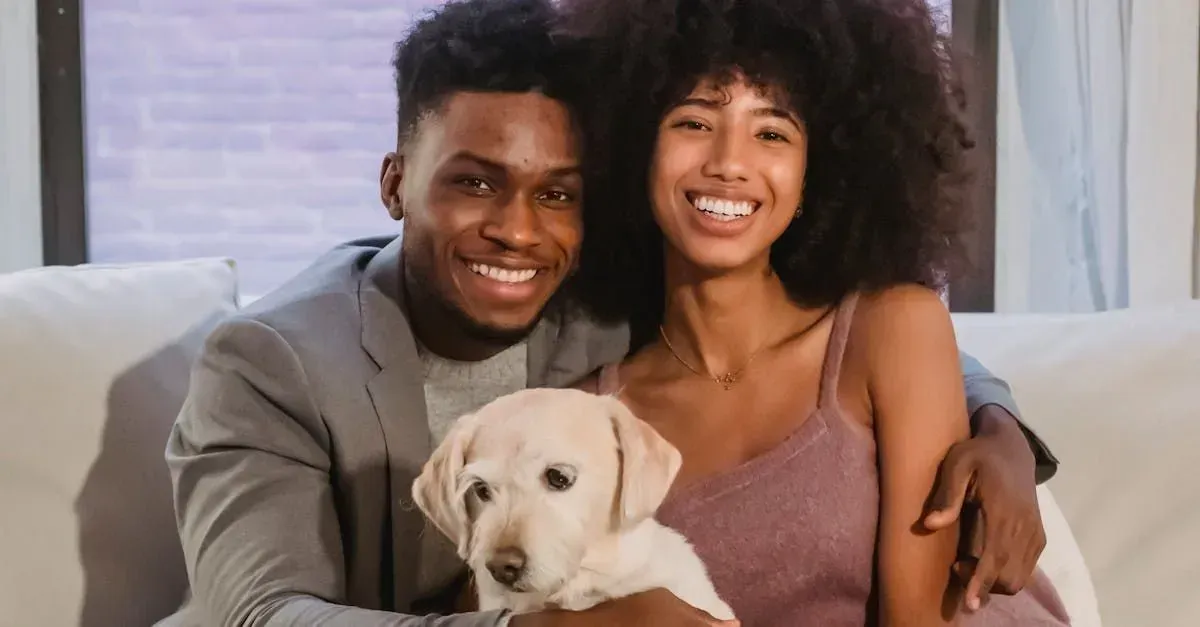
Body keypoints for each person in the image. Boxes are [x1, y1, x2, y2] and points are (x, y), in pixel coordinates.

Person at [159, 0, 1057, 625]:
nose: (517, 231)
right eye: (473, 183)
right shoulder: (270, 363)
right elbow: (261, 615)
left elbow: (850, 347)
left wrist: (1001, 429)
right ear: (395, 183)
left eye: (558, 193)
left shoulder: (594, 302)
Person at [553, 0, 1070, 625]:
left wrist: (1006, 435)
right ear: (634, 149)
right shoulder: (592, 423)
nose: (728, 163)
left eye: (772, 133)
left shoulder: (891, 331)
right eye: (693, 122)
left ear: (814, 178)